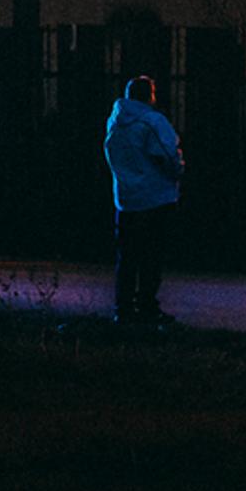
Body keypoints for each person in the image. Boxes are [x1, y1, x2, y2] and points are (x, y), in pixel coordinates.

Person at [103, 74, 184, 327]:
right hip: (155, 198)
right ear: (150, 95)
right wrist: (178, 171)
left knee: (127, 257)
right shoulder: (152, 121)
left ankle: (123, 309)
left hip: (126, 199)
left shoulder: (114, 122)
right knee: (152, 255)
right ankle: (147, 306)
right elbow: (166, 155)